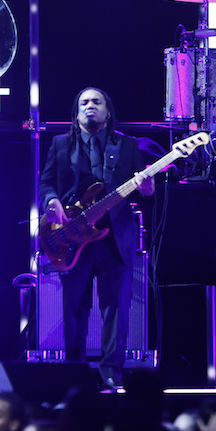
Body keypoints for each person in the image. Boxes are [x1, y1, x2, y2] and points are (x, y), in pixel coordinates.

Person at [38, 87, 155, 389]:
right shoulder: (61, 144)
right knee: (74, 305)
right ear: (76, 113)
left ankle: (111, 372)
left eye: (96, 102)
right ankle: (74, 371)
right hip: (72, 238)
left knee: (115, 306)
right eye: (84, 102)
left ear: (108, 111)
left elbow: (145, 188)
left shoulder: (127, 145)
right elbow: (47, 183)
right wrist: (51, 202)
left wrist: (147, 188)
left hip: (113, 238)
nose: (90, 106)